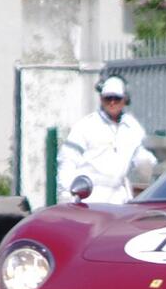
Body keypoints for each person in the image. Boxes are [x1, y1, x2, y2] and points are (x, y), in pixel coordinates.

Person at [57, 76, 157, 204]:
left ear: (125, 99)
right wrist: (66, 194)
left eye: (117, 98)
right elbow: (67, 160)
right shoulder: (86, 126)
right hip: (89, 197)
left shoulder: (132, 127)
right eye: (108, 98)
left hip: (119, 198)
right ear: (101, 99)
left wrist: (148, 165)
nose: (112, 102)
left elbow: (142, 158)